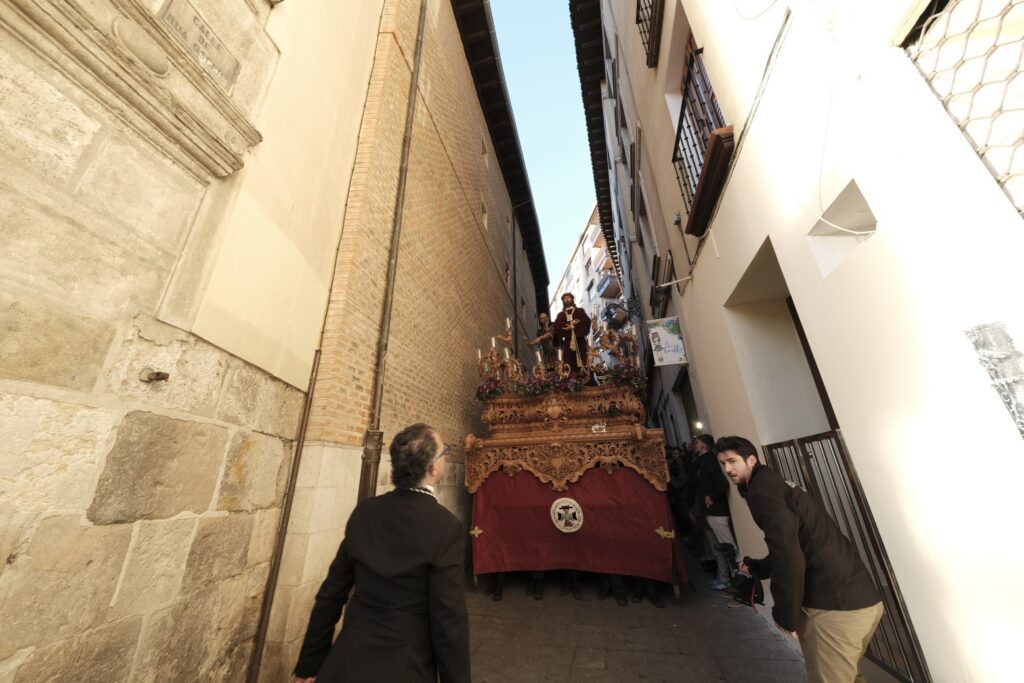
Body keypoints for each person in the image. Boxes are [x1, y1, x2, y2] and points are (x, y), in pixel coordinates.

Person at [294, 424, 470, 683]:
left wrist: (309, 663)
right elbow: (449, 618)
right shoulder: (445, 526)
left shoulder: (366, 512)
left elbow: (331, 593)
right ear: (433, 467)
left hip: (347, 661)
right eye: (445, 451)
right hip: (406, 667)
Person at [716, 436, 883, 683]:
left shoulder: (762, 491)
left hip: (834, 609)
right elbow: (797, 542)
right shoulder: (773, 483)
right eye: (722, 463)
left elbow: (788, 553)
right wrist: (760, 567)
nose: (728, 469)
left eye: (732, 461)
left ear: (751, 460)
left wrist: (785, 613)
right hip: (862, 602)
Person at [693, 434, 737, 591]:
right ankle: (724, 577)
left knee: (727, 546)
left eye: (697, 442)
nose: (695, 444)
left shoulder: (709, 461)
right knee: (718, 548)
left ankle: (738, 581)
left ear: (704, 445)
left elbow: (721, 482)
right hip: (710, 512)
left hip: (716, 512)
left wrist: (711, 497)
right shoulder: (703, 461)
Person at [552, 293, 591, 376]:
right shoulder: (561, 315)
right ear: (563, 301)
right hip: (568, 342)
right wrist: (570, 323)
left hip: (580, 340)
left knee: (583, 359)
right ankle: (571, 380)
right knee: (568, 361)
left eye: (568, 297)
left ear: (572, 299)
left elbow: (586, 321)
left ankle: (585, 378)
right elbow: (556, 326)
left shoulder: (579, 311)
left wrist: (574, 327)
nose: (566, 299)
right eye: (564, 298)